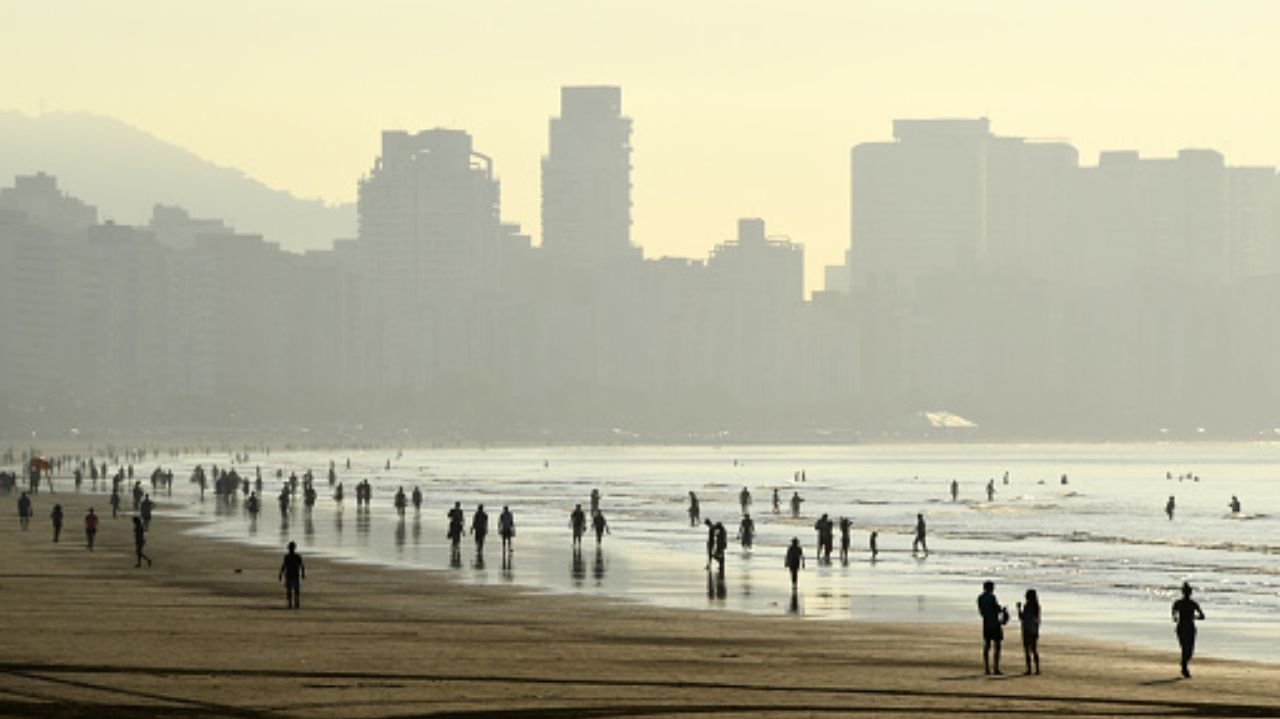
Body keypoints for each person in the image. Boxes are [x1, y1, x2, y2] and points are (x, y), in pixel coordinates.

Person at [1172, 582, 1205, 678]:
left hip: (1184, 627)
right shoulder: (1191, 604)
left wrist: (1177, 617)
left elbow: (1174, 616)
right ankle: (1184, 668)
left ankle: (1183, 664)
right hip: (1187, 627)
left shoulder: (1180, 603)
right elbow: (1202, 616)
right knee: (1187, 649)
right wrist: (1194, 617)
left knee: (1186, 649)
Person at [977, 580, 1008, 675]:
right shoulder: (991, 597)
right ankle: (996, 668)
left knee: (987, 646)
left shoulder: (980, 598)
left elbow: (982, 612)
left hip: (986, 623)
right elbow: (996, 608)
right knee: (997, 646)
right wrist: (1002, 610)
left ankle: (986, 668)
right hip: (994, 623)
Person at [1017, 589, 1041, 675]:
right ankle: (1037, 669)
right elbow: (1037, 620)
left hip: (1027, 629)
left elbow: (1022, 617)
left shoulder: (1027, 606)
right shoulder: (1036, 606)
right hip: (1034, 629)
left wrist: (1018, 608)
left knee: (1027, 649)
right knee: (1034, 649)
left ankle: (1029, 669)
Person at [279, 541, 305, 609]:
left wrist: (281, 573)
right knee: (294, 590)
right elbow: (301, 566)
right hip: (294, 575)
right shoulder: (296, 556)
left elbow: (284, 566)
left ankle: (292, 603)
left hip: (290, 575)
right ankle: (294, 602)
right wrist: (302, 573)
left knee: (290, 590)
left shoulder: (288, 556)